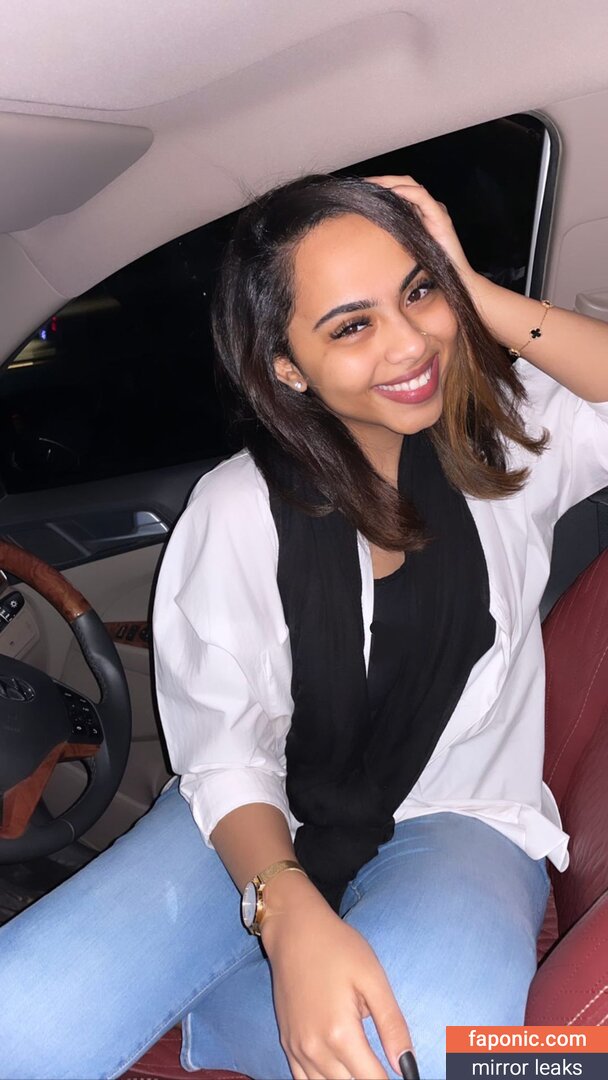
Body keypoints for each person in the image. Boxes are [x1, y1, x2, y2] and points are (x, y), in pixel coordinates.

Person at [2, 174, 608, 1080]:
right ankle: (260, 979)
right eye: (352, 325)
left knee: (449, 1053)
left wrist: (476, 297)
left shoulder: (499, 435)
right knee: (22, 1021)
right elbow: (226, 754)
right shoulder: (237, 510)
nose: (410, 344)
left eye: (418, 291)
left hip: (465, 815)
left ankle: (218, 1016)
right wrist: (284, 910)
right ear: (287, 366)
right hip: (264, 811)